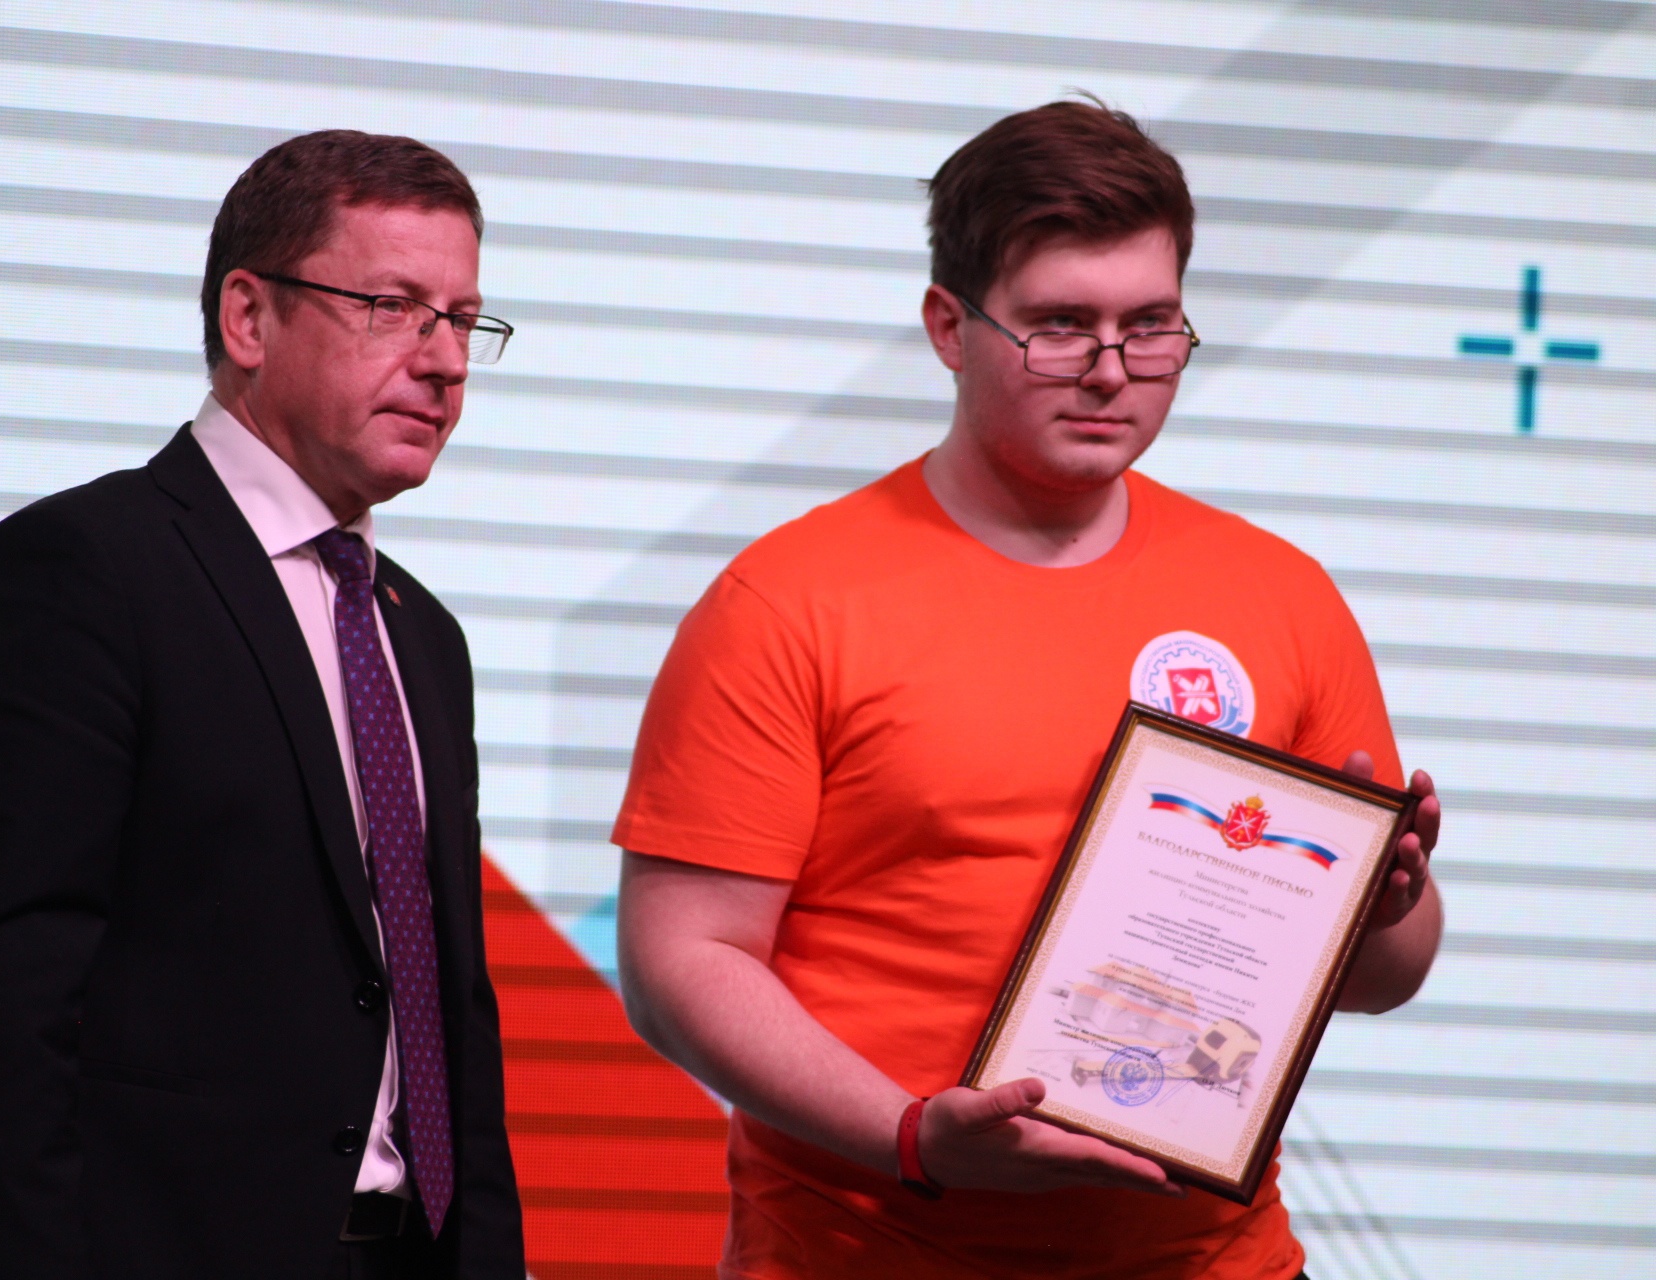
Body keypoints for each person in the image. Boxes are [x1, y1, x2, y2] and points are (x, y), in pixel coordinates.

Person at [613, 100, 1443, 1279]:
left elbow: (1377, 982)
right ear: (949, 327)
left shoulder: (1281, 595)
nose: (1110, 371)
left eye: (1149, 326)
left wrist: (1386, 907)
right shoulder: (790, 600)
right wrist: (914, 1135)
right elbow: (682, 960)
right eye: (1060, 326)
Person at [0, 131, 524, 1280]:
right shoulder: (81, 570)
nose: (444, 361)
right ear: (249, 317)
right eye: (393, 307)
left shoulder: (423, 636)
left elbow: (451, 1020)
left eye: (463, 320)